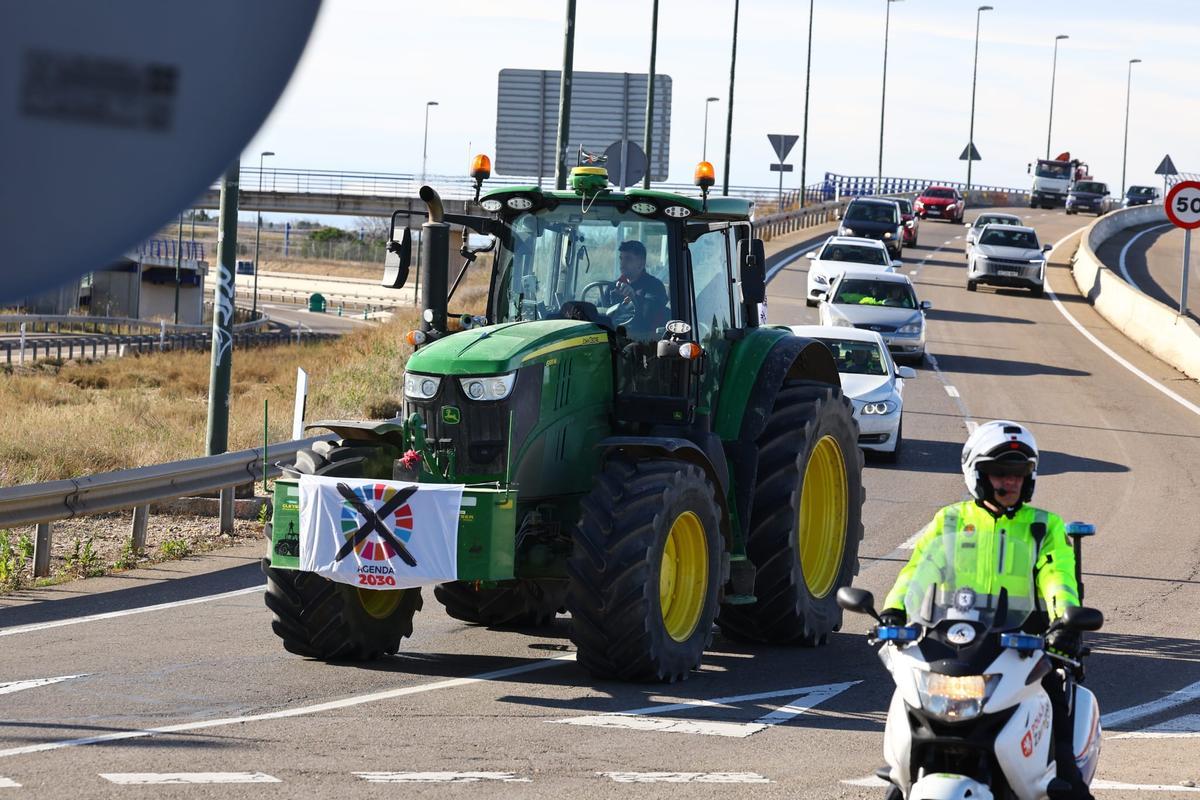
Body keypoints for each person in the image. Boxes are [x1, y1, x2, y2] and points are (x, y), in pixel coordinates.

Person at [879, 420, 1093, 800]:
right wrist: (894, 611)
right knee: (912, 701)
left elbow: (1057, 576)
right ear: (976, 474)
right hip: (952, 641)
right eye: (999, 473)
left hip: (1023, 643)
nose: (1009, 482)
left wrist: (1064, 621)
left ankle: (1068, 785)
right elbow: (919, 569)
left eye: (1017, 474)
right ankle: (903, 776)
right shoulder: (951, 520)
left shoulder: (1044, 526)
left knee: (1055, 707)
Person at [610, 240, 668, 338]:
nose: (622, 263)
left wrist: (633, 297)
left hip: (643, 341)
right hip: (613, 337)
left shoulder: (655, 286)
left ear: (641, 263)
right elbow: (599, 310)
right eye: (621, 258)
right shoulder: (613, 286)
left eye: (628, 259)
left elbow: (650, 316)